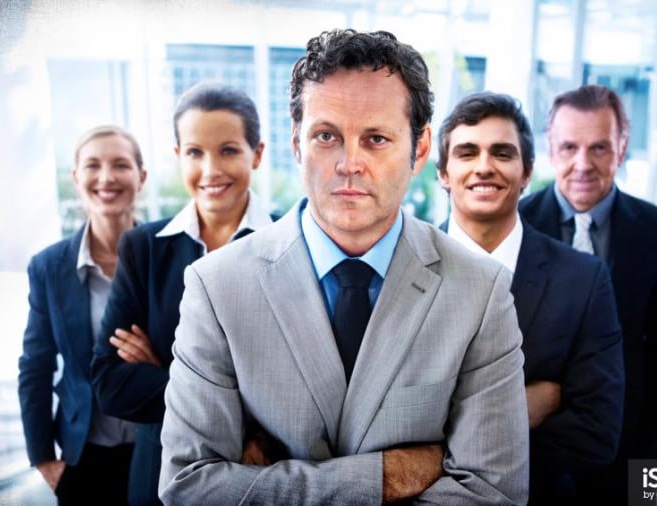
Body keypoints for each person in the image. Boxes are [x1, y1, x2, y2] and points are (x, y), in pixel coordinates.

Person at [159, 28, 529, 505]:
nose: (348, 163)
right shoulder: (217, 287)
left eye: (376, 138)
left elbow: (492, 492)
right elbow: (189, 487)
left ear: (418, 150)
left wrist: (270, 484)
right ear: (296, 143)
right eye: (326, 136)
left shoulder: (481, 291)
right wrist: (387, 476)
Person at [436, 91, 625, 503]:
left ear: (526, 172)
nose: (484, 166)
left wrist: (434, 448)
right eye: (467, 153)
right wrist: (518, 409)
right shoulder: (399, 267)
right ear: (443, 173)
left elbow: (597, 432)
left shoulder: (584, 279)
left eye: (502, 153)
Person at [90, 82, 274, 506]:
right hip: (161, 477)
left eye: (228, 150)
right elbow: (111, 382)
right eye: (194, 152)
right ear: (178, 156)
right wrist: (240, 403)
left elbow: (304, 392)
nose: (210, 170)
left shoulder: (293, 244)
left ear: (257, 154)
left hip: (261, 475)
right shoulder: (144, 248)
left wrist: (166, 370)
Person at [519, 84, 657, 501]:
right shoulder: (514, 224)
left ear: (622, 147)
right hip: (531, 447)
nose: (582, 164)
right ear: (550, 149)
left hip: (628, 448)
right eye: (569, 147)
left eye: (599, 148)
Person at [18, 125, 147, 505]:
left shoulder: (169, 255)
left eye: (120, 165)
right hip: (83, 456)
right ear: (76, 177)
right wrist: (43, 458)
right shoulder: (49, 268)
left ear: (141, 177)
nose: (106, 177)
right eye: (93, 165)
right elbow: (35, 367)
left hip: (160, 449)